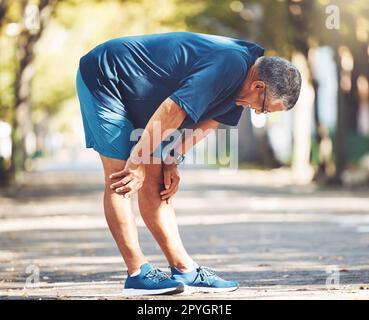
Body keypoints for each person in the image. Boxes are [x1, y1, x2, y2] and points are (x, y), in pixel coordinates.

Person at [76, 31, 301, 296]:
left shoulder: (242, 89)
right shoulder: (229, 64)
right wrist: (137, 160)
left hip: (143, 96)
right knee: (122, 176)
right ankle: (137, 273)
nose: (258, 112)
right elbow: (173, 110)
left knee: (157, 179)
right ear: (259, 87)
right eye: (264, 108)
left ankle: (184, 270)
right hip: (107, 75)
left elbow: (209, 123)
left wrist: (172, 160)